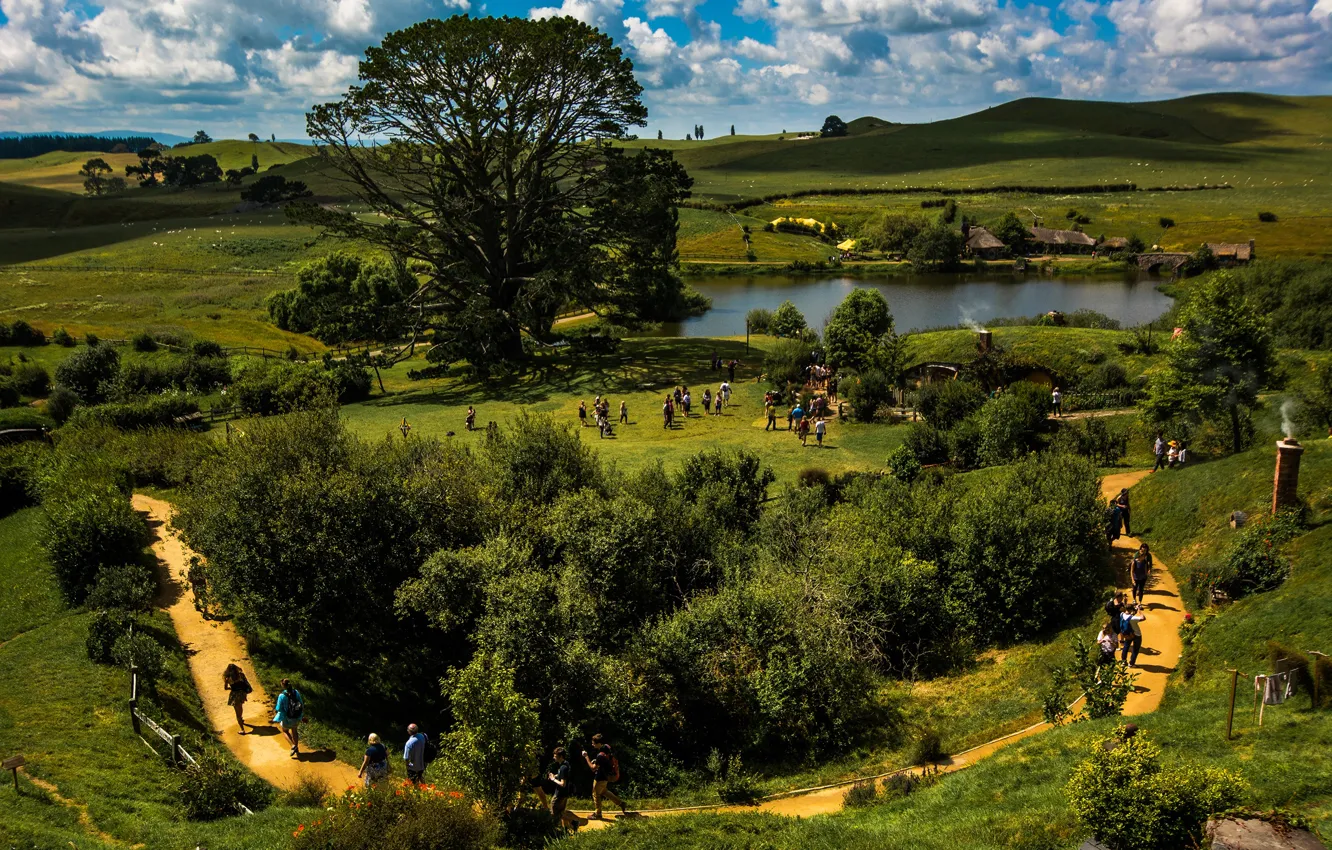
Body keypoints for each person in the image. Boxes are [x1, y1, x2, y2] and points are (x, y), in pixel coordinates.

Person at [581, 735, 626, 819]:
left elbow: (593, 768)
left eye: (594, 743)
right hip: (606, 776)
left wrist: (586, 757)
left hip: (600, 777)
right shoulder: (607, 747)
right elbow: (605, 761)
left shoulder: (600, 756)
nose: (592, 745)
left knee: (596, 794)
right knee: (604, 791)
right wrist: (597, 761)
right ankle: (621, 803)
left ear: (599, 743)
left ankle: (598, 814)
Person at [548, 747, 586, 830]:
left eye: (555, 756)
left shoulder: (563, 768)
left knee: (554, 814)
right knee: (561, 813)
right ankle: (570, 825)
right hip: (565, 794)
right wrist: (556, 775)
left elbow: (562, 783)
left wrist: (553, 779)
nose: (554, 757)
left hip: (559, 794)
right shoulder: (566, 764)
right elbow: (564, 776)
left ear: (560, 756)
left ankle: (557, 830)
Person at [272, 678, 305, 758]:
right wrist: (301, 715)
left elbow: (279, 708)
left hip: (286, 718)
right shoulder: (296, 692)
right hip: (296, 717)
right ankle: (297, 748)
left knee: (285, 731)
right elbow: (301, 704)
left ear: (283, 685)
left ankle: (293, 746)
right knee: (294, 731)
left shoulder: (282, 696)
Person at [222, 663, 252, 734]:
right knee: (240, 707)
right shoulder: (241, 675)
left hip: (234, 695)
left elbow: (226, 688)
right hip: (242, 694)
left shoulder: (228, 678)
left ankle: (242, 729)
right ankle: (241, 719)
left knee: (237, 712)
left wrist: (231, 688)